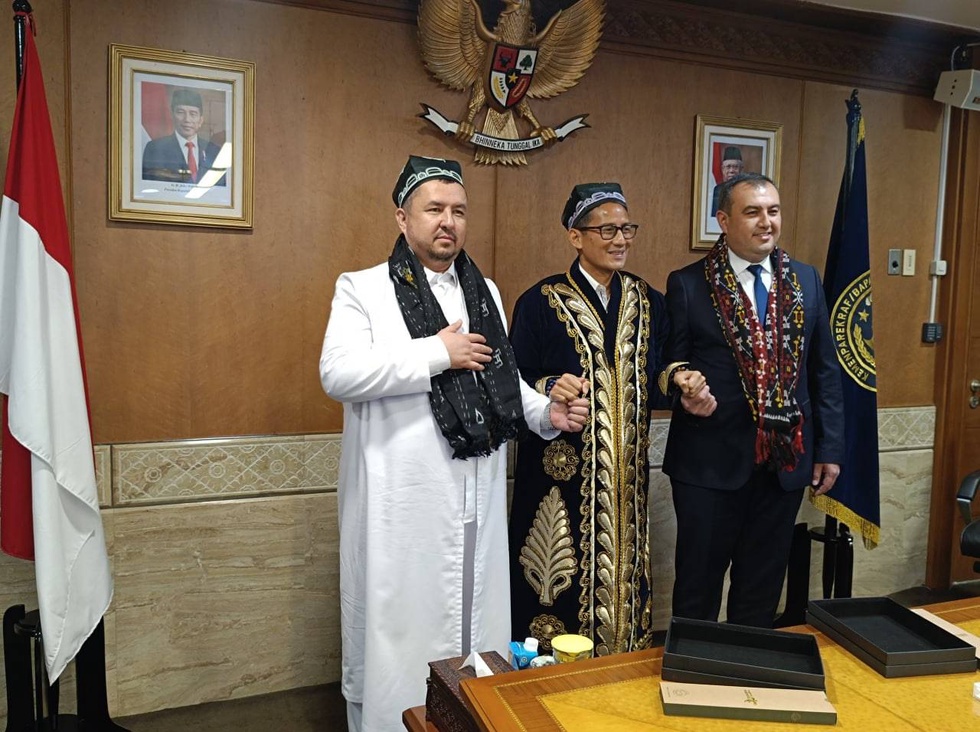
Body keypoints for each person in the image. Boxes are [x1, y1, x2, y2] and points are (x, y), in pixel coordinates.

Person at [319, 155, 589, 732]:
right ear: (402, 217)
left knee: (474, 630)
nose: (448, 221)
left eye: (459, 211)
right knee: (400, 631)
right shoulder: (362, 288)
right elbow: (338, 374)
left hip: (476, 497)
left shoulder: (481, 289)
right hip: (402, 504)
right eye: (434, 209)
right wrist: (436, 353)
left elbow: (500, 379)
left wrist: (547, 412)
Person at [507, 182, 712, 655]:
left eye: (626, 229)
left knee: (626, 583)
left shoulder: (647, 300)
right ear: (575, 236)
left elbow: (656, 373)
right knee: (555, 582)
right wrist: (550, 388)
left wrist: (680, 382)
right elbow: (512, 382)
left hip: (626, 483)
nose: (620, 240)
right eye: (607, 230)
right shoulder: (540, 301)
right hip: (560, 481)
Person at [662, 172, 844, 628]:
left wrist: (830, 449)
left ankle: (749, 668)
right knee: (698, 589)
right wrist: (683, 388)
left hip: (784, 464)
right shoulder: (688, 284)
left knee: (761, 590)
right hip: (709, 466)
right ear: (723, 220)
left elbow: (824, 370)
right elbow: (666, 366)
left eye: (773, 211)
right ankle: (695, 669)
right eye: (753, 212)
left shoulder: (805, 280)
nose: (767, 222)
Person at [142, 87, 225, 184]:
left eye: (193, 114)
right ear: (172, 115)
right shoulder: (155, 148)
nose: (187, 119)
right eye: (180, 112)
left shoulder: (214, 151)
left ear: (201, 120)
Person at [710, 146, 745, 216]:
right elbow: (715, 215)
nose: (731, 171)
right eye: (728, 167)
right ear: (723, 169)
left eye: (735, 167)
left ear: (741, 170)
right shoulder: (717, 190)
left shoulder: (747, 189)